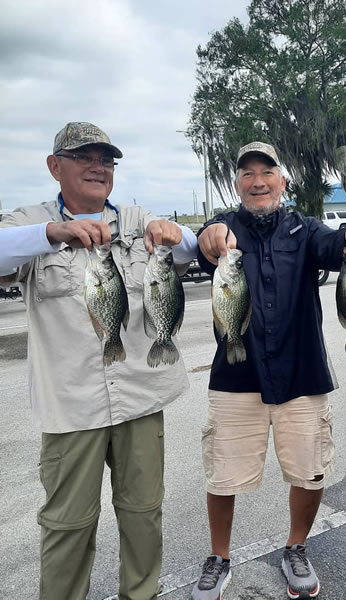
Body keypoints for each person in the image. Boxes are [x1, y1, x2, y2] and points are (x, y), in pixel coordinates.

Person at [0, 122, 199, 600]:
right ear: (55, 167)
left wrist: (175, 233)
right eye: (84, 157)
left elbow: (192, 248)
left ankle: (142, 594)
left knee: (144, 515)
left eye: (106, 160)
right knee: (67, 525)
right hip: (71, 408)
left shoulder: (134, 218)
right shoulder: (29, 221)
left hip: (140, 399)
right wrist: (53, 232)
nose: (98, 167)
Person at [190, 141, 346, 600]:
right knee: (223, 474)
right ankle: (219, 556)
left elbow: (336, 246)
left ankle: (296, 547)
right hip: (237, 375)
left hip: (302, 373)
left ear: (283, 181)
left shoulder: (305, 228)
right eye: (247, 174)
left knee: (309, 471)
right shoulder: (223, 231)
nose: (258, 181)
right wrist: (207, 239)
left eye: (267, 172)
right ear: (236, 184)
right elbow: (203, 245)